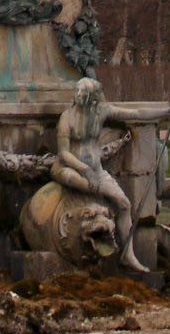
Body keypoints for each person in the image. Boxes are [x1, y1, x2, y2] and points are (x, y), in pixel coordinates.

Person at [51, 77, 149, 271]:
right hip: (69, 170)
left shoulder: (101, 112)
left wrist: (168, 111)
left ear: (92, 98)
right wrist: (85, 170)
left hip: (97, 171)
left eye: (83, 93)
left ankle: (128, 254)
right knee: (94, 187)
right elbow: (63, 153)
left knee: (124, 204)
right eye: (77, 92)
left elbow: (136, 113)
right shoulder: (67, 117)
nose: (78, 96)